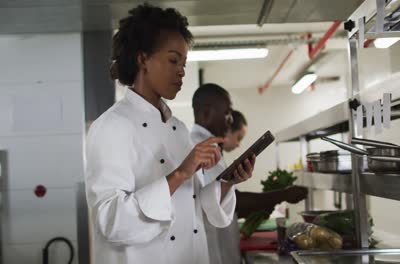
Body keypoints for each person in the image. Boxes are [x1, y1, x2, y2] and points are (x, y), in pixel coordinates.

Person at [84, 4, 255, 264]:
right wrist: (180, 173)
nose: (182, 71)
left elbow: (193, 204)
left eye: (184, 63)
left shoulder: (177, 128)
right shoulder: (110, 127)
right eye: (173, 60)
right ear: (143, 59)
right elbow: (110, 220)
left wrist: (228, 182)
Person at [190, 85, 307, 264]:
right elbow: (229, 200)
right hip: (213, 252)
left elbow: (225, 199)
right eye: (227, 113)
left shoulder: (209, 147)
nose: (230, 120)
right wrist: (282, 194)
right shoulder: (202, 148)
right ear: (207, 112)